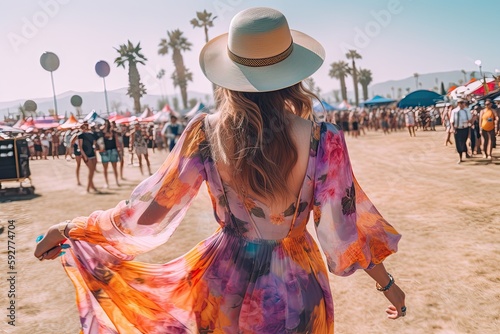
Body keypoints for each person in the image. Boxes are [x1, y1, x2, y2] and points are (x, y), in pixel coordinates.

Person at [34, 7, 405, 333]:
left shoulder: (204, 133)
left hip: (222, 283)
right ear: (293, 71)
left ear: (231, 72)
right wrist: (388, 285)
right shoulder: (325, 139)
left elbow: (143, 218)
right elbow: (343, 235)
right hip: (295, 287)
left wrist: (70, 229)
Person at [78, 122, 99, 193]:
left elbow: (94, 145)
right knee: (91, 170)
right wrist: (85, 156)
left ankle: (91, 186)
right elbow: (80, 147)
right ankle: (88, 187)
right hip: (86, 155)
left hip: (92, 154)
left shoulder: (91, 134)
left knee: (92, 171)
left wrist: (96, 155)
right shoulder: (80, 135)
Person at [99, 120, 121, 188]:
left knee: (114, 168)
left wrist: (118, 149)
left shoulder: (113, 132)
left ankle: (116, 181)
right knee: (105, 168)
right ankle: (107, 183)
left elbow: (117, 141)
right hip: (105, 151)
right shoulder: (101, 133)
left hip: (113, 150)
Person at [450, 99, 472, 164]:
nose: (462, 104)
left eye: (463, 103)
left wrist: (468, 122)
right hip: (457, 128)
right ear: (458, 104)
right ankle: (460, 157)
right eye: (460, 103)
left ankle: (465, 152)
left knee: (463, 141)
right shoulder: (454, 111)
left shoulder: (466, 110)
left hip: (465, 128)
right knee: (458, 143)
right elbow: (452, 121)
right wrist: (452, 128)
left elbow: (470, 119)